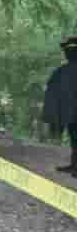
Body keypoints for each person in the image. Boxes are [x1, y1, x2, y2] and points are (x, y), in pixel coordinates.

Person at [44, 37, 77, 175]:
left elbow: (51, 97)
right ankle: (74, 166)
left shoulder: (60, 73)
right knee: (74, 139)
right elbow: (52, 97)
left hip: (70, 115)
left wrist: (54, 120)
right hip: (71, 115)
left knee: (75, 138)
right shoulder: (60, 73)